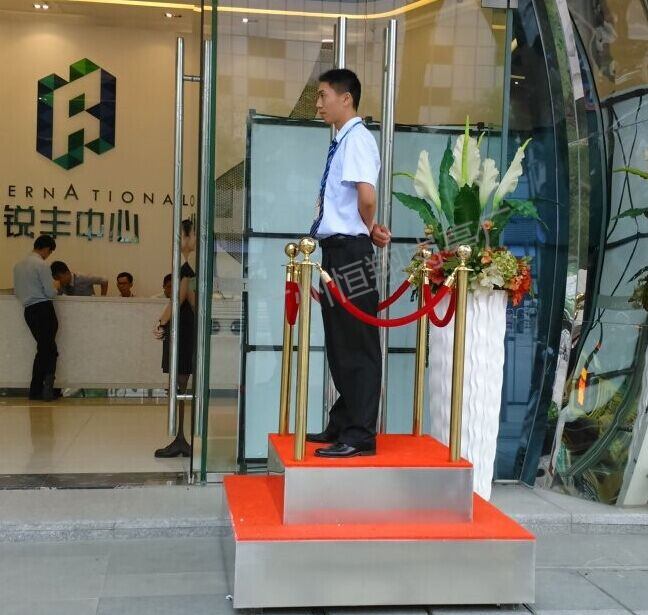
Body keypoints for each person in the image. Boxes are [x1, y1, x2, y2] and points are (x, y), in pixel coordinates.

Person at [306, 68, 391, 459]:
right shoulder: (344, 140)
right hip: (338, 251)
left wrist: (368, 228)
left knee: (356, 343)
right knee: (341, 343)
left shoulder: (356, 139)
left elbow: (367, 197)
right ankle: (343, 421)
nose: (318, 104)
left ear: (346, 98)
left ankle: (359, 434)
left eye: (323, 95)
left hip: (350, 253)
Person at [153, 220, 196, 458]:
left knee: (181, 384)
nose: (181, 241)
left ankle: (181, 438)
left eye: (183, 236)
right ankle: (180, 437)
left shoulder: (191, 263)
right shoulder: (188, 263)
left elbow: (180, 298)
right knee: (180, 384)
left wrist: (161, 321)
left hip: (185, 328)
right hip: (184, 326)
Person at [13, 235, 60, 401]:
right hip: (44, 309)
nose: (48, 255)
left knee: (45, 349)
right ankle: (45, 389)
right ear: (46, 248)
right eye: (50, 252)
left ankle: (37, 389)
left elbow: (17, 292)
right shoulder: (41, 265)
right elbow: (50, 292)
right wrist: (56, 286)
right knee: (49, 350)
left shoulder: (18, 266)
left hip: (29, 311)